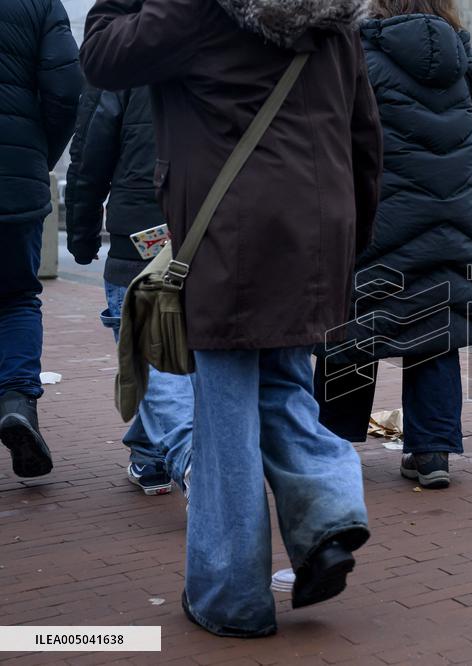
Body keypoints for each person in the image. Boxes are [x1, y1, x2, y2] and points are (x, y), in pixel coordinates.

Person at [80, 0, 381, 637]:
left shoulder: (194, 10)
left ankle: (231, 597)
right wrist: (346, 241)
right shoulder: (338, 20)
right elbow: (364, 136)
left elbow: (103, 57)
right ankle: (327, 517)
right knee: (283, 382)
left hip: (225, 239)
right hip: (314, 231)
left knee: (224, 423)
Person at [315, 0, 472, 490]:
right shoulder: (467, 63)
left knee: (353, 324)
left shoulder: (357, 54)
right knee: (437, 328)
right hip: (455, 211)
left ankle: (331, 444)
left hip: (380, 210)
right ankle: (431, 453)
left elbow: (339, 135)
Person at [65, 84, 194, 496]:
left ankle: (190, 457)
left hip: (140, 230)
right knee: (188, 347)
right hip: (214, 220)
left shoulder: (122, 52)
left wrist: (83, 234)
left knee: (150, 349)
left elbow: (90, 155)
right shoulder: (230, 37)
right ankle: (149, 455)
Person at [0, 0, 83, 478]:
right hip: (14, 180)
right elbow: (65, 88)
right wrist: (38, 156)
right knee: (14, 298)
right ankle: (16, 403)